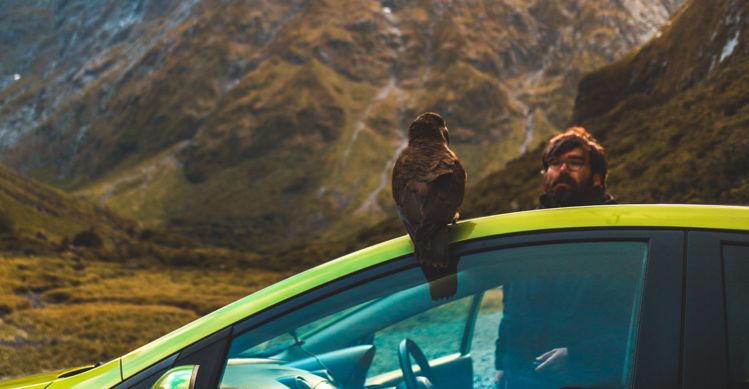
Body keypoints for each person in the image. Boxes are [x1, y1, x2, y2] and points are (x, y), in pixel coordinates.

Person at [494, 127, 623, 389]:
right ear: (546, 173)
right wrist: (501, 364)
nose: (563, 169)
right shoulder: (528, 235)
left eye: (574, 163)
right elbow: (511, 311)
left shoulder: (617, 236)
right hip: (522, 381)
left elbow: (637, 324)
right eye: (555, 163)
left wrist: (578, 359)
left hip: (582, 382)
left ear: (597, 179)